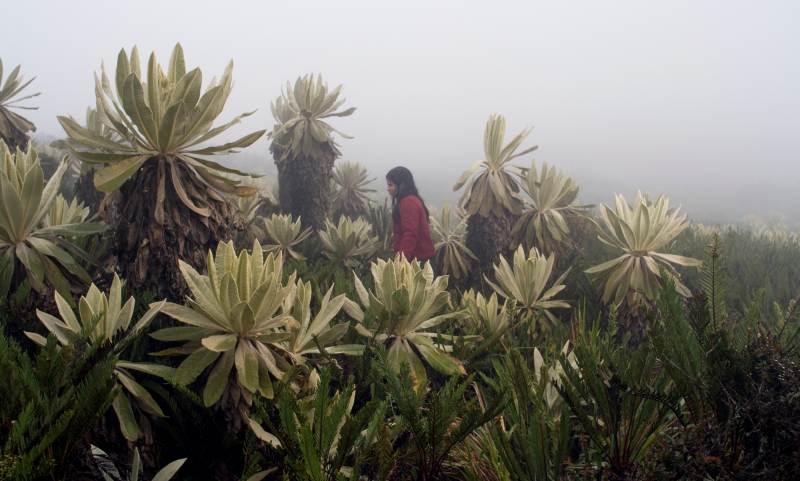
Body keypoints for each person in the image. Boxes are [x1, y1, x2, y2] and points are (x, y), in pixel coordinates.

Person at [385, 167, 438, 274]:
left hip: (418, 264)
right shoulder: (411, 200)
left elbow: (410, 234)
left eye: (390, 185)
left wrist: (401, 261)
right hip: (418, 260)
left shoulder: (407, 203)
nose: (388, 189)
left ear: (402, 185)